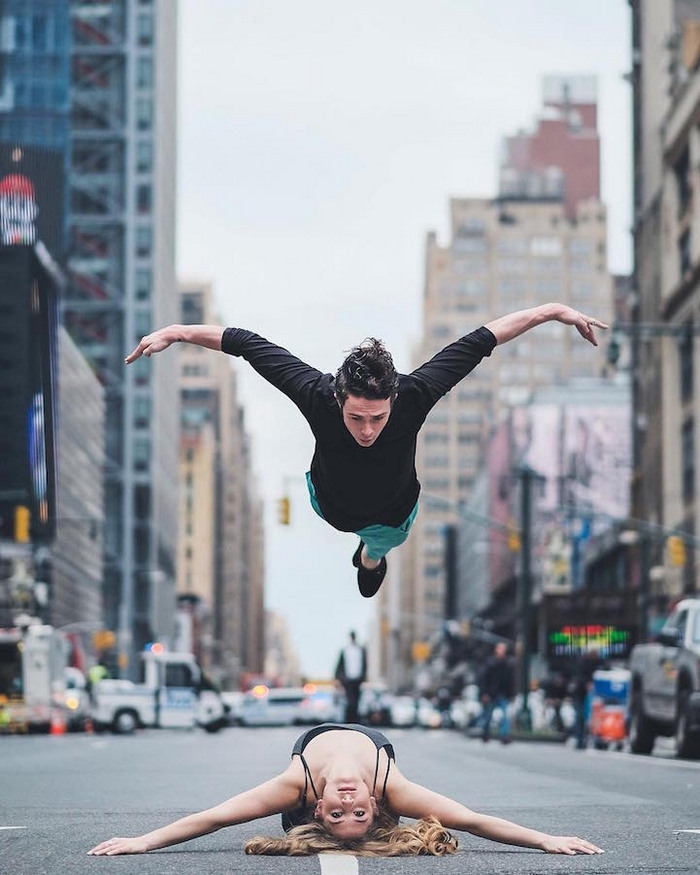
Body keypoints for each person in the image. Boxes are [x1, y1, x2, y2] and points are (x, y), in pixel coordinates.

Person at [125, 304, 606, 598]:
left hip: (393, 515)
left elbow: (484, 339)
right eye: (357, 418)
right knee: (346, 513)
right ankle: (367, 550)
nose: (369, 429)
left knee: (380, 548)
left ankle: (370, 557)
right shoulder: (316, 393)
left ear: (394, 398)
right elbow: (247, 344)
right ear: (339, 399)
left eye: (379, 417)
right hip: (329, 504)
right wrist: (177, 332)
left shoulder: (416, 393)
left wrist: (550, 311)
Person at [88, 722, 604, 858]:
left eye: (338, 816)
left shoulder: (299, 784)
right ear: (377, 806)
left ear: (318, 806)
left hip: (311, 744)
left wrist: (143, 842)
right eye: (360, 814)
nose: (350, 804)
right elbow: (471, 820)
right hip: (373, 740)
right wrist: (545, 840)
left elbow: (216, 817)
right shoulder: (389, 786)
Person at [479, 642, 514, 744]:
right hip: (491, 694)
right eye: (500, 649)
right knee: (488, 715)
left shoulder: (507, 664)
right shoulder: (490, 663)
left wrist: (511, 694)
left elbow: (510, 680)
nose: (501, 651)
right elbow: (484, 679)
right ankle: (485, 733)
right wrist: (484, 693)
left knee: (505, 715)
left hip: (503, 694)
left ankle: (504, 736)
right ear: (496, 650)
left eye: (503, 649)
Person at [334, 630, 367, 723]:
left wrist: (363, 677)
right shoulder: (345, 650)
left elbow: (364, 664)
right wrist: (338, 678)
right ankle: (349, 720)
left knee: (356, 702)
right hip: (347, 680)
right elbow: (339, 665)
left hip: (357, 680)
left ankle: (354, 720)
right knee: (350, 701)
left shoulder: (361, 650)